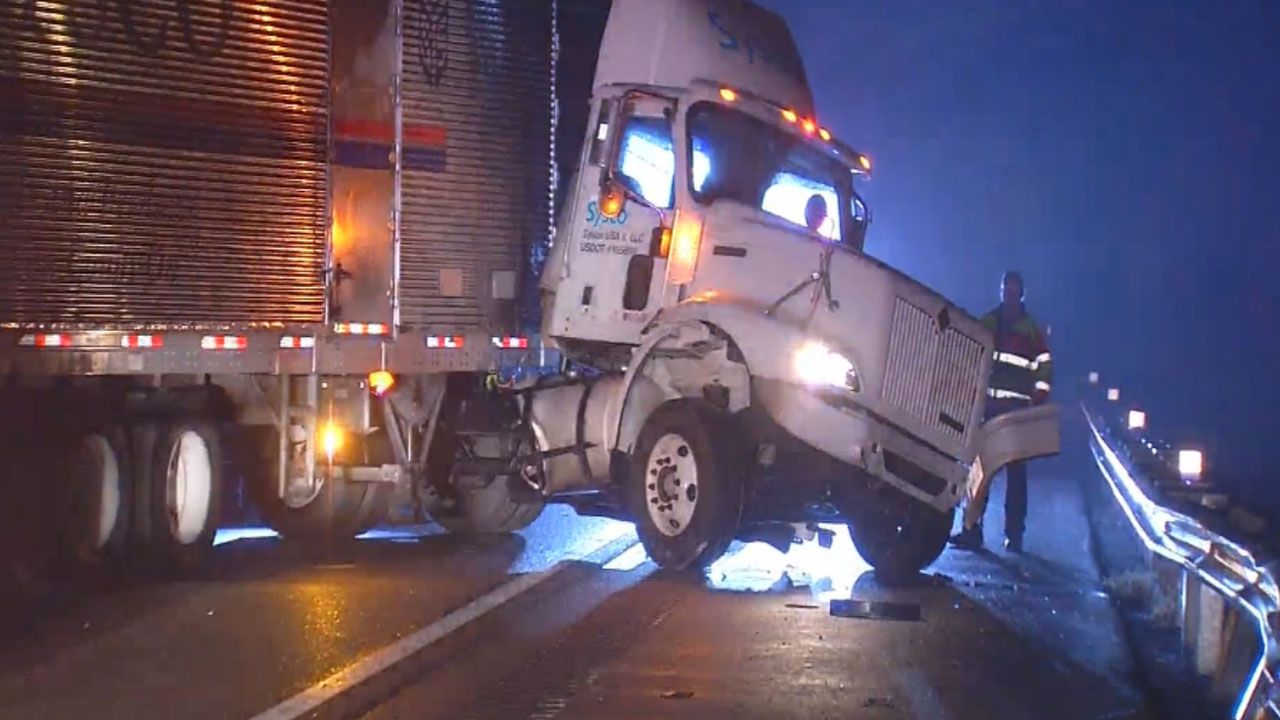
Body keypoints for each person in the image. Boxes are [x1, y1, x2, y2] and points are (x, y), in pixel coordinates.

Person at [950, 270, 1052, 553]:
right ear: (1002, 292)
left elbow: (1044, 365)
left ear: (1020, 294)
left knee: (1016, 480)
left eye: (1013, 291)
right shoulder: (989, 323)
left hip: (1016, 414)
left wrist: (1038, 396)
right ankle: (972, 529)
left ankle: (1014, 534)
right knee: (980, 474)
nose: (1009, 296)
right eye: (1006, 291)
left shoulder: (1031, 331)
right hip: (990, 411)